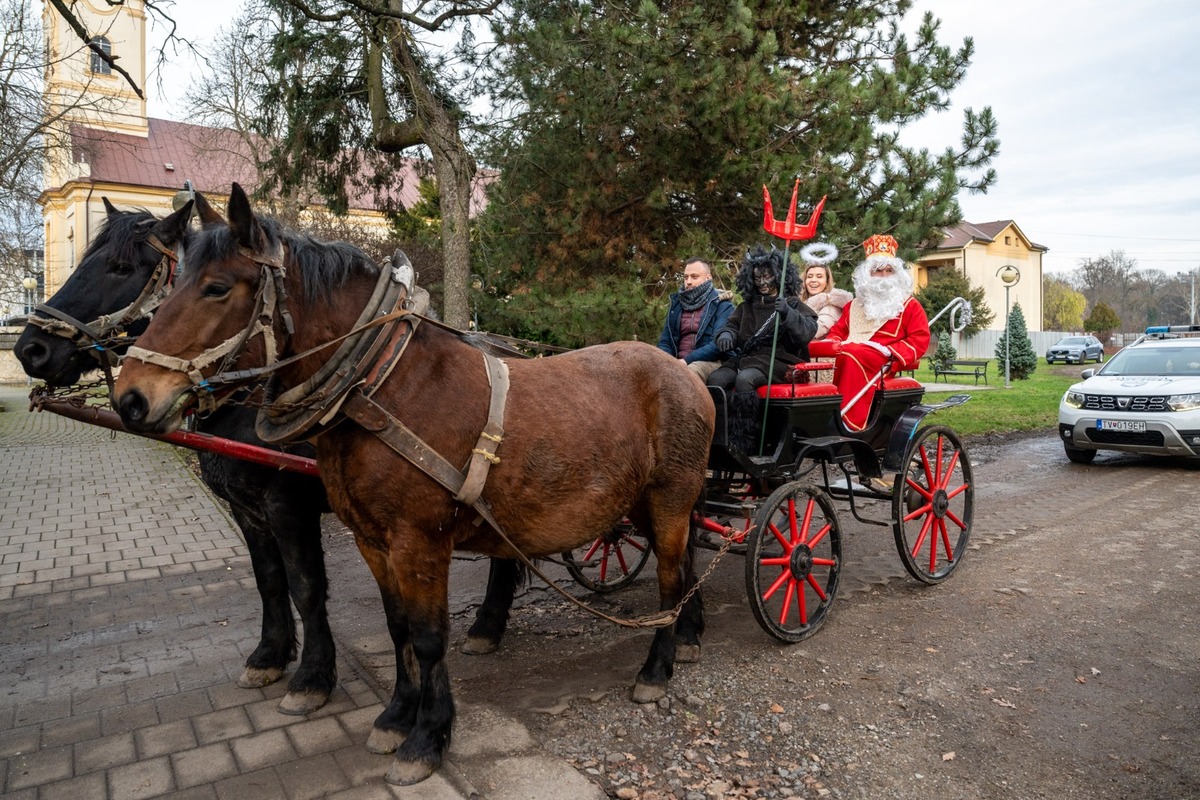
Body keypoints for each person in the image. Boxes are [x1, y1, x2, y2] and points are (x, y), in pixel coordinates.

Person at [816, 234, 931, 433]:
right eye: (878, 271)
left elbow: (919, 339)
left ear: (897, 275)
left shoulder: (910, 305)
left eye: (889, 271)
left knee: (851, 354)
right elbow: (838, 331)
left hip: (883, 359)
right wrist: (832, 343)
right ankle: (818, 412)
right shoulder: (854, 305)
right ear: (867, 274)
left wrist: (890, 351)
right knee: (821, 356)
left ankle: (847, 421)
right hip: (851, 351)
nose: (884, 276)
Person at [708, 245, 818, 394]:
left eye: (767, 277)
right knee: (716, 379)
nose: (762, 283)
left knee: (745, 379)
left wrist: (788, 313)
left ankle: (746, 410)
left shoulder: (792, 304)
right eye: (757, 278)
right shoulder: (746, 307)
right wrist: (726, 335)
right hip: (747, 360)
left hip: (780, 363)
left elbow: (808, 331)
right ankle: (724, 410)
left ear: (778, 276)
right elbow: (732, 326)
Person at [657, 257, 735, 381]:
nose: (688, 282)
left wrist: (685, 361)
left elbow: (717, 345)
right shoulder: (676, 305)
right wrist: (668, 361)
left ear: (708, 278)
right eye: (685, 277)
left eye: (694, 277)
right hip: (677, 362)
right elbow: (665, 342)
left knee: (689, 372)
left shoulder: (723, 305)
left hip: (713, 363)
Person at [798, 241, 852, 383]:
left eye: (819, 276)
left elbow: (815, 330)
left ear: (827, 281)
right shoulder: (800, 303)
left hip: (819, 365)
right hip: (802, 359)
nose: (813, 280)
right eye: (810, 276)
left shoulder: (832, 306)